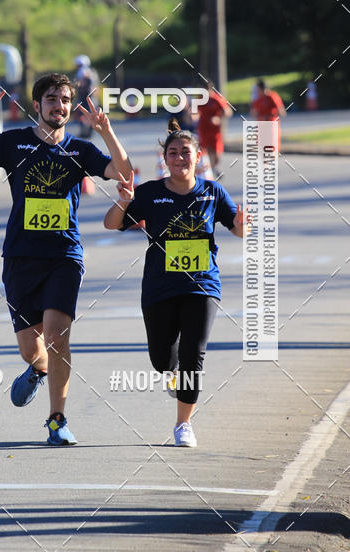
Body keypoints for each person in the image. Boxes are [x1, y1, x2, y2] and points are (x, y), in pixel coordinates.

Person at [0, 73, 132, 445]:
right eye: (51, 99)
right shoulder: (14, 143)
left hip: (64, 256)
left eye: (65, 100)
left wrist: (106, 132)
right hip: (20, 258)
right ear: (37, 106)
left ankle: (56, 420)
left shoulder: (80, 150)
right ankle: (36, 370)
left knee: (56, 336)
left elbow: (124, 172)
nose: (59, 105)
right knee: (31, 348)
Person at [104, 118, 250, 448]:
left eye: (186, 152)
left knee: (193, 353)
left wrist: (242, 224)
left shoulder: (213, 192)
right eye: (173, 152)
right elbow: (111, 224)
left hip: (202, 285)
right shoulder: (150, 193)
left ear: (199, 157)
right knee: (162, 359)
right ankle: (172, 376)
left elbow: (238, 229)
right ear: (164, 159)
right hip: (159, 286)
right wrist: (124, 200)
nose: (180, 157)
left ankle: (183, 424)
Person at [196, 79, 233, 171]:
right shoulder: (200, 99)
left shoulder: (216, 99)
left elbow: (228, 112)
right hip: (203, 128)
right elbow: (194, 111)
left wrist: (218, 119)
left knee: (216, 151)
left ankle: (214, 167)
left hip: (215, 130)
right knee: (205, 149)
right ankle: (210, 169)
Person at [250, 79, 286, 150]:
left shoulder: (272, 96)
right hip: (261, 127)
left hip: (271, 126)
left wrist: (268, 116)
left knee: (271, 149)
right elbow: (253, 113)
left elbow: (282, 112)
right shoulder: (258, 99)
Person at [73, 55, 100, 138]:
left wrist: (77, 86)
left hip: (84, 96)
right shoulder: (91, 71)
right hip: (92, 97)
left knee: (82, 113)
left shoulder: (82, 71)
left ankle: (84, 132)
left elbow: (82, 82)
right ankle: (89, 132)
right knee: (91, 113)